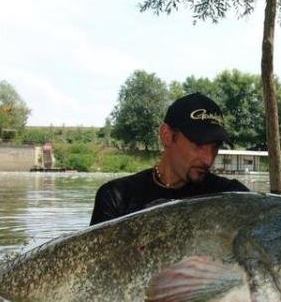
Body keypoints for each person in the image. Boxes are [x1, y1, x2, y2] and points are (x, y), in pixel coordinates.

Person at [90, 92, 249, 225]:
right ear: (166, 135)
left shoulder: (235, 198)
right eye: (198, 144)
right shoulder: (116, 197)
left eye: (215, 146)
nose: (208, 160)